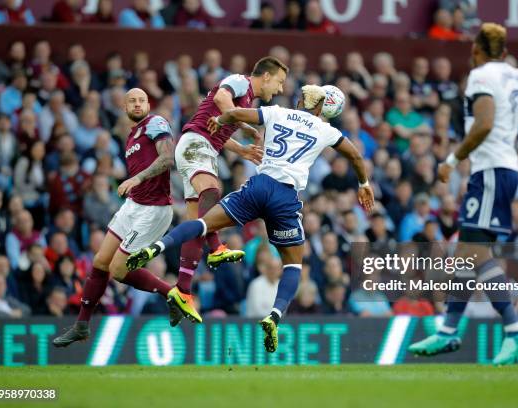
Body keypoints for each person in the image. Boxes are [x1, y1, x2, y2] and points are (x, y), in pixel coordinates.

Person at [127, 85, 374, 353]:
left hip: (260, 185)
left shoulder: (278, 113)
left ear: (301, 100)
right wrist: (363, 183)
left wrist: (220, 119)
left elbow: (237, 113)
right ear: (322, 108)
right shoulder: (327, 131)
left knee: (203, 223)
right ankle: (275, 316)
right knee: (293, 265)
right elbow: (355, 155)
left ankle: (157, 247)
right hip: (285, 197)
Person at [408, 23, 518, 365]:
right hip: (501, 170)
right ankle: (447, 331)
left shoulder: (480, 76)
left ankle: (515, 328)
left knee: (474, 254)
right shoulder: (517, 75)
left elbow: (485, 122)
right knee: (467, 252)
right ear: (503, 50)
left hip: (489, 171)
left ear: (476, 49)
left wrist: (452, 158)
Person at [52, 88, 190, 348]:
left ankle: (172, 293)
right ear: (124, 108)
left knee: (118, 270)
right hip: (133, 205)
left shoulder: (156, 123)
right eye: (132, 101)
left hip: (154, 209)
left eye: (141, 100)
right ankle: (81, 325)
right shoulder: (130, 138)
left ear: (149, 104)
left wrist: (137, 178)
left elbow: (167, 158)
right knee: (100, 262)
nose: (137, 104)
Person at [172, 56, 286, 311]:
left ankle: (182, 290)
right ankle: (216, 247)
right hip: (194, 144)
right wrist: (244, 125)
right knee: (213, 191)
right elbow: (221, 100)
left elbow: (217, 130)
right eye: (279, 82)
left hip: (205, 147)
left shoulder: (246, 99)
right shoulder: (240, 82)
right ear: (265, 76)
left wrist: (241, 150)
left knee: (197, 226)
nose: (279, 89)